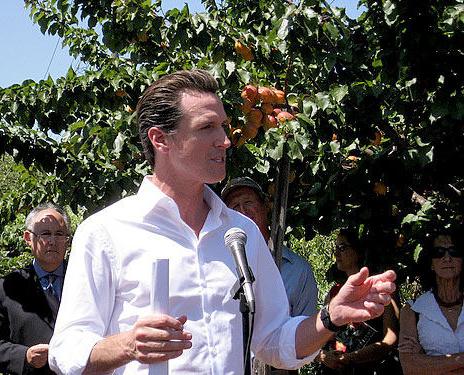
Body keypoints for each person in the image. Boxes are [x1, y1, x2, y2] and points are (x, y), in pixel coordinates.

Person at [48, 69, 396, 375]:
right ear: (160, 139)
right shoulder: (106, 231)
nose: (226, 141)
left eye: (225, 127)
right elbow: (66, 350)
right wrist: (127, 346)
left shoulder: (240, 234)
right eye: (207, 128)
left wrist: (330, 318)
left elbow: (272, 339)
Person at [0, 203, 71, 375]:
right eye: (46, 234)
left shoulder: (85, 279)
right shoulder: (6, 289)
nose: (52, 241)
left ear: (68, 240)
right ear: (28, 238)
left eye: (59, 234)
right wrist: (24, 356)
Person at [221, 176, 318, 317]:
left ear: (266, 205)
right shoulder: (219, 266)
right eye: (235, 206)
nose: (242, 210)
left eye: (248, 202)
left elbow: (308, 329)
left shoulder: (297, 269)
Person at [316, 228, 401, 374]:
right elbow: (316, 338)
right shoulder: (334, 292)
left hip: (372, 369)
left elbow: (391, 339)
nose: (336, 254)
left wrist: (351, 358)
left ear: (360, 251)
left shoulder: (382, 289)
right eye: (335, 248)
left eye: (342, 248)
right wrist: (324, 357)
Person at [398, 230, 464, 374]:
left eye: (454, 251)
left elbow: (418, 366)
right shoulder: (412, 310)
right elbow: (409, 367)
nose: (447, 258)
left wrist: (425, 359)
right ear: (431, 264)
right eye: (438, 252)